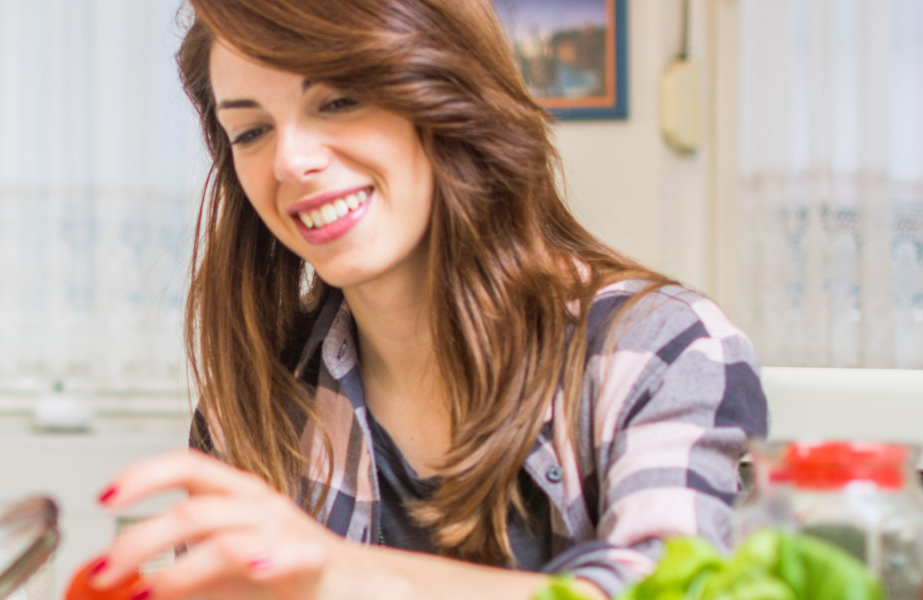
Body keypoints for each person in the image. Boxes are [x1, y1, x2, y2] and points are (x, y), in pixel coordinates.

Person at [83, 1, 766, 599]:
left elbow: (671, 591)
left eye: (339, 100)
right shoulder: (255, 405)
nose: (290, 160)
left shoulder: (662, 350)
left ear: (447, 93)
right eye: (251, 130)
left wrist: (339, 575)